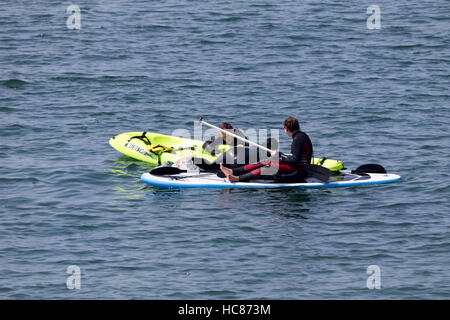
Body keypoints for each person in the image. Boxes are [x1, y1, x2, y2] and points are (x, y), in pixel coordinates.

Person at [220, 116, 313, 182]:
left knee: (270, 166)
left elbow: (295, 161)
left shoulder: (298, 139)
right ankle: (233, 171)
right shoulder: (301, 136)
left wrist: (279, 157)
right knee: (266, 161)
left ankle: (237, 178)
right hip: (299, 167)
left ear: (287, 129)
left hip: (300, 171)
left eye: (284, 128)